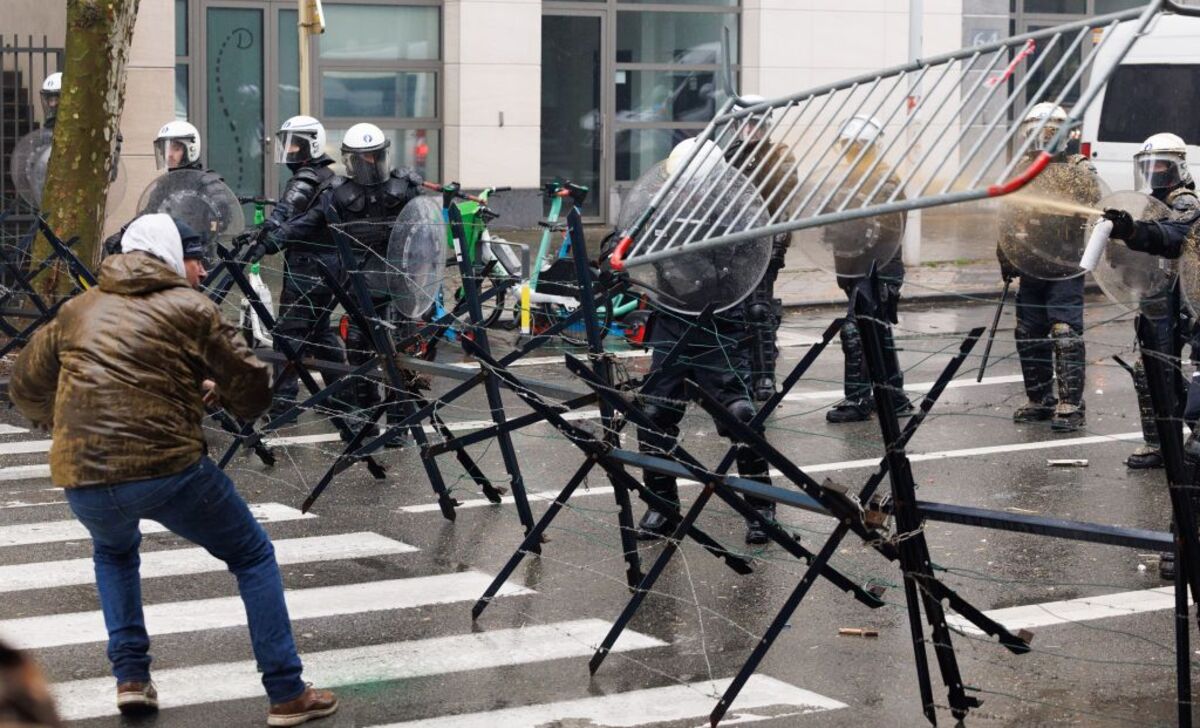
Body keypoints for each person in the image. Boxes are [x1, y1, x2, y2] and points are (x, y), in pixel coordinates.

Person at [7, 214, 338, 726]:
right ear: (165, 255)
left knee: (114, 554)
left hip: (83, 477)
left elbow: (26, 386)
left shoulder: (77, 309)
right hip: (167, 469)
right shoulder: (190, 307)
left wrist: (66, 420)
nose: (203, 271)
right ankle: (287, 691)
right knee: (252, 554)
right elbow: (251, 391)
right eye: (193, 257)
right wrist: (225, 392)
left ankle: (132, 680)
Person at [635, 140, 780, 546]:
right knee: (654, 413)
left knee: (739, 415)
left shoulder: (735, 214)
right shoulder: (662, 206)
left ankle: (761, 509)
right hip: (672, 320)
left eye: (690, 185)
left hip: (718, 322)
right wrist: (619, 249)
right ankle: (662, 507)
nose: (683, 191)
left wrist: (672, 249)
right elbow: (628, 237)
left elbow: (725, 268)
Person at [277, 122, 423, 438]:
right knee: (359, 353)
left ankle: (400, 422)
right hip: (360, 286)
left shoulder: (405, 187)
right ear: (350, 159)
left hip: (400, 286)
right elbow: (307, 222)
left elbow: (426, 232)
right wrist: (271, 239)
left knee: (401, 354)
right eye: (363, 158)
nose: (370, 164)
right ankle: (366, 420)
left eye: (375, 156)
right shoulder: (337, 193)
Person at [999, 103, 1097, 433]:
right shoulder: (1023, 170)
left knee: (1064, 331)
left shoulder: (1079, 168)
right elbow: (1008, 217)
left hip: (1065, 262)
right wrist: (1006, 255)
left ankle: (1071, 402)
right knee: (1028, 331)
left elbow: (1095, 208)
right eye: (1040, 133)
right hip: (1030, 262)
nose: (1045, 139)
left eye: (1052, 132)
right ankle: (1039, 398)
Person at [255, 115, 347, 421]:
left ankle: (283, 402)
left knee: (289, 335)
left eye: (297, 143)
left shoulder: (305, 178)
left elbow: (286, 213)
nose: (290, 149)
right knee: (321, 334)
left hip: (306, 269)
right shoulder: (329, 176)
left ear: (312, 144)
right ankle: (340, 396)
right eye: (288, 142)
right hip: (330, 269)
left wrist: (266, 237)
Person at [825, 115, 912, 423]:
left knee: (855, 330)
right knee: (875, 330)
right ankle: (894, 397)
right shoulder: (849, 180)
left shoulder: (885, 181)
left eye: (857, 147)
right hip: (856, 267)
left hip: (880, 267)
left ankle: (858, 400)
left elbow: (884, 229)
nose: (851, 153)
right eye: (848, 147)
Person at [1124, 133, 1199, 469]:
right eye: (1148, 164)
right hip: (1155, 294)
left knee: (1181, 368)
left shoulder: (1185, 203)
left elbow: (1171, 237)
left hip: (1183, 296)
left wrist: (1137, 233)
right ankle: (1158, 442)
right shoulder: (1147, 203)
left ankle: (1194, 434)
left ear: (1176, 166)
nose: (1153, 170)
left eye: (1160, 164)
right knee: (1150, 368)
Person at [723, 94, 798, 402]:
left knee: (758, 308)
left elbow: (784, 196)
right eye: (746, 124)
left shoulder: (779, 154)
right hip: (731, 244)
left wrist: (779, 240)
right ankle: (734, 375)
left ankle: (764, 376)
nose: (750, 129)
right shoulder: (729, 153)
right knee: (732, 310)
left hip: (765, 241)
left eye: (756, 123)